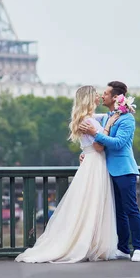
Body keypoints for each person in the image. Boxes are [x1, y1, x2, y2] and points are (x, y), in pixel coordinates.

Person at [15, 85, 117, 263]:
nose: (99, 96)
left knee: (88, 204)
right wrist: (108, 126)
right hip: (95, 164)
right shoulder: (90, 122)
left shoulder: (86, 119)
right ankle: (92, 245)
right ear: (89, 98)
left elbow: (97, 128)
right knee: (94, 203)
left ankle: (89, 243)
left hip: (90, 163)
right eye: (96, 94)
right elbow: (99, 146)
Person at [79, 81, 140, 262]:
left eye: (106, 93)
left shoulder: (127, 119)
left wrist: (95, 133)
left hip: (124, 170)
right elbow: (89, 130)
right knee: (118, 212)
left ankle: (139, 248)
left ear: (116, 97)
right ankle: (123, 248)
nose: (102, 96)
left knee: (131, 209)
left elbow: (118, 143)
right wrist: (86, 153)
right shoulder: (109, 116)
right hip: (107, 170)